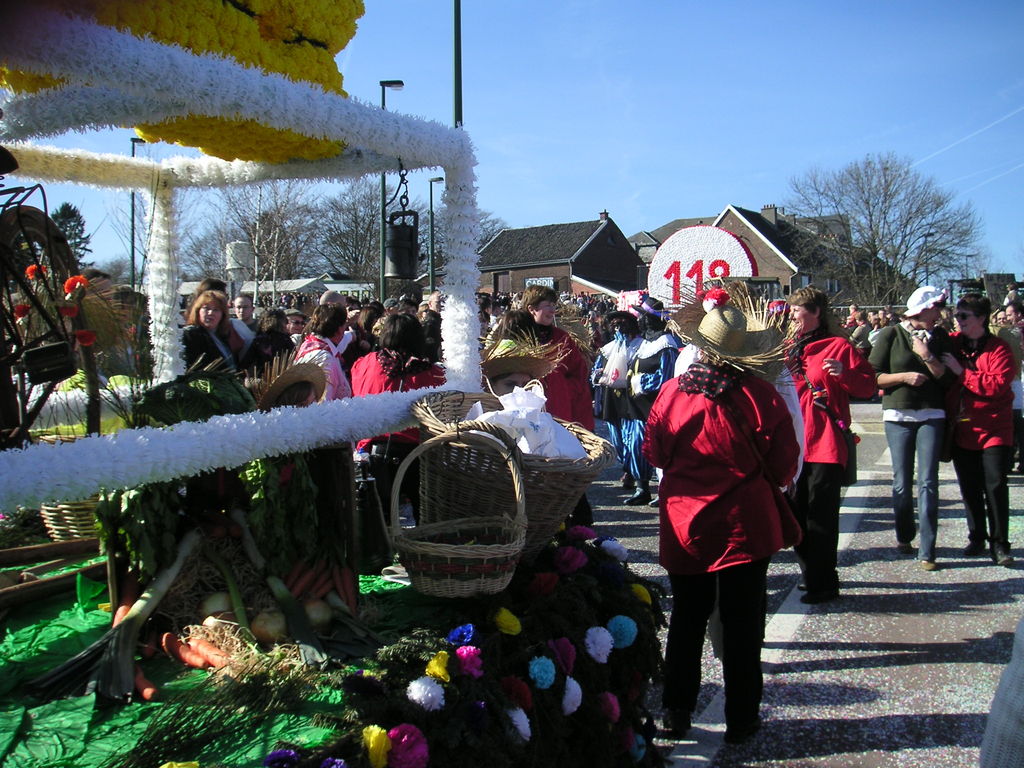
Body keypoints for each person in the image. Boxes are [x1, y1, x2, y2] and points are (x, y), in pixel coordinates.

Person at [643, 291, 800, 744]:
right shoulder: (759, 395)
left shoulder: (672, 392)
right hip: (742, 523)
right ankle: (742, 718)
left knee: (688, 619)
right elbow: (784, 463)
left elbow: (653, 451)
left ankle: (676, 709)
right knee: (742, 624)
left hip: (685, 521)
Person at [786, 286, 876, 604]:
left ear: (816, 313)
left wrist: (844, 373)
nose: (792, 315)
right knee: (794, 516)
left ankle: (823, 582)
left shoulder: (837, 345)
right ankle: (812, 571)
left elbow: (868, 386)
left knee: (820, 517)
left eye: (797, 310)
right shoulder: (785, 348)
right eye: (791, 309)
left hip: (824, 442)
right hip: (794, 445)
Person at [868, 286, 956, 570]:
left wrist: (927, 355)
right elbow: (873, 376)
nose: (939, 314)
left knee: (929, 481)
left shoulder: (940, 338)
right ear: (921, 310)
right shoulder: (891, 334)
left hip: (932, 413)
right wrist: (903, 376)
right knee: (902, 481)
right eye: (936, 309)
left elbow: (947, 381)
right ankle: (905, 534)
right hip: (898, 414)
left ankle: (928, 550)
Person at [351, 313, 446, 521]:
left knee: (379, 520)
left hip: (371, 450)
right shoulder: (433, 373)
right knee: (424, 517)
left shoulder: (363, 364)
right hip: (415, 453)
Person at [943, 293, 1015, 566]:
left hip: (995, 425)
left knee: (995, 484)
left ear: (981, 318)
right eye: (955, 315)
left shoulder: (999, 349)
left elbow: (996, 385)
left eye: (963, 316)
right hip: (963, 427)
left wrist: (962, 373)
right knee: (969, 486)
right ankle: (977, 537)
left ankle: (1000, 543)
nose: (957, 321)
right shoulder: (953, 344)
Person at [623, 296, 679, 505]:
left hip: (655, 407)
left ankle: (663, 489)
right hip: (637, 407)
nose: (638, 320)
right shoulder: (645, 344)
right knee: (637, 445)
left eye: (642, 316)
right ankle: (641, 487)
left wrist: (641, 382)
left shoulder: (666, 345)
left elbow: (667, 376)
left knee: (658, 448)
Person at [520, 285, 594, 430]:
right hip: (527, 410)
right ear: (531, 309)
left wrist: (562, 388)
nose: (552, 310)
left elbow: (579, 373)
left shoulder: (561, 337)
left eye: (553, 305)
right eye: (547, 305)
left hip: (560, 410)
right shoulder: (518, 337)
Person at [591, 311, 643, 497]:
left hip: (631, 399)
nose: (618, 327)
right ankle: (626, 466)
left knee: (633, 439)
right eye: (614, 324)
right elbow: (596, 372)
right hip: (611, 398)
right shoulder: (608, 349)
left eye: (622, 324)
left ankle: (635, 474)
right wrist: (597, 376)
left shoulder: (641, 347)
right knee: (618, 440)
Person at [294, 304, 353, 401]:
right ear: (339, 329)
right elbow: (323, 403)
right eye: (344, 325)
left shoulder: (310, 344)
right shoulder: (324, 358)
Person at [181, 289, 242, 370]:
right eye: (206, 308)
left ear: (222, 314)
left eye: (216, 309)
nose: (210, 313)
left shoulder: (223, 335)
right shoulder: (190, 334)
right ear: (198, 311)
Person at [998, 299, 1023, 474]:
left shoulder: (1017, 332)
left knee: (1016, 422)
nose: (1004, 319)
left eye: (1008, 315)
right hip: (1012, 380)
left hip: (1016, 379)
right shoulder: (1006, 332)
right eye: (1001, 317)